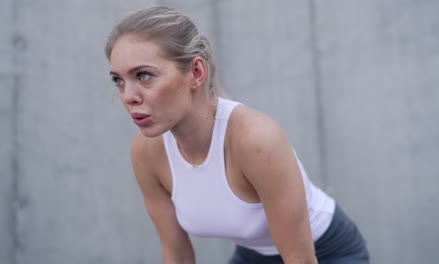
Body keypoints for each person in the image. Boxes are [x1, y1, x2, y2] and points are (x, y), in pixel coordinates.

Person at [105, 6, 369, 264]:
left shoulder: (255, 140)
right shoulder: (147, 153)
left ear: (196, 72)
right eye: (118, 80)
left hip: (326, 252)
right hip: (254, 255)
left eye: (144, 75)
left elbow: (300, 259)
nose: (128, 96)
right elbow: (178, 257)